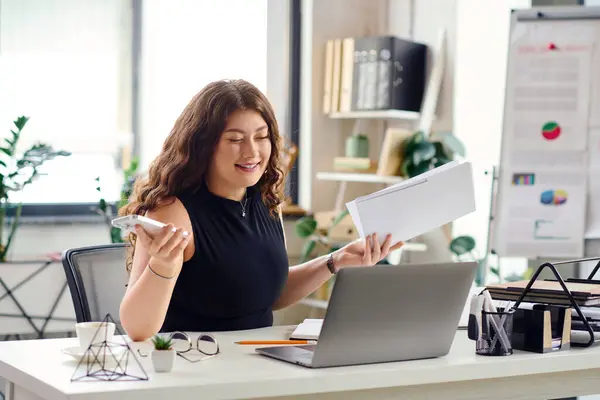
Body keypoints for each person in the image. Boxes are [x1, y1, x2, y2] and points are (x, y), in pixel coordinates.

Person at [118, 79, 403, 341]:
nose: (252, 151)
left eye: (261, 136)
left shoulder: (266, 201)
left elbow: (265, 295)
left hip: (258, 363)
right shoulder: (171, 212)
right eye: (235, 139)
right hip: (194, 369)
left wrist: (335, 261)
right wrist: (163, 266)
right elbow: (137, 328)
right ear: (203, 145)